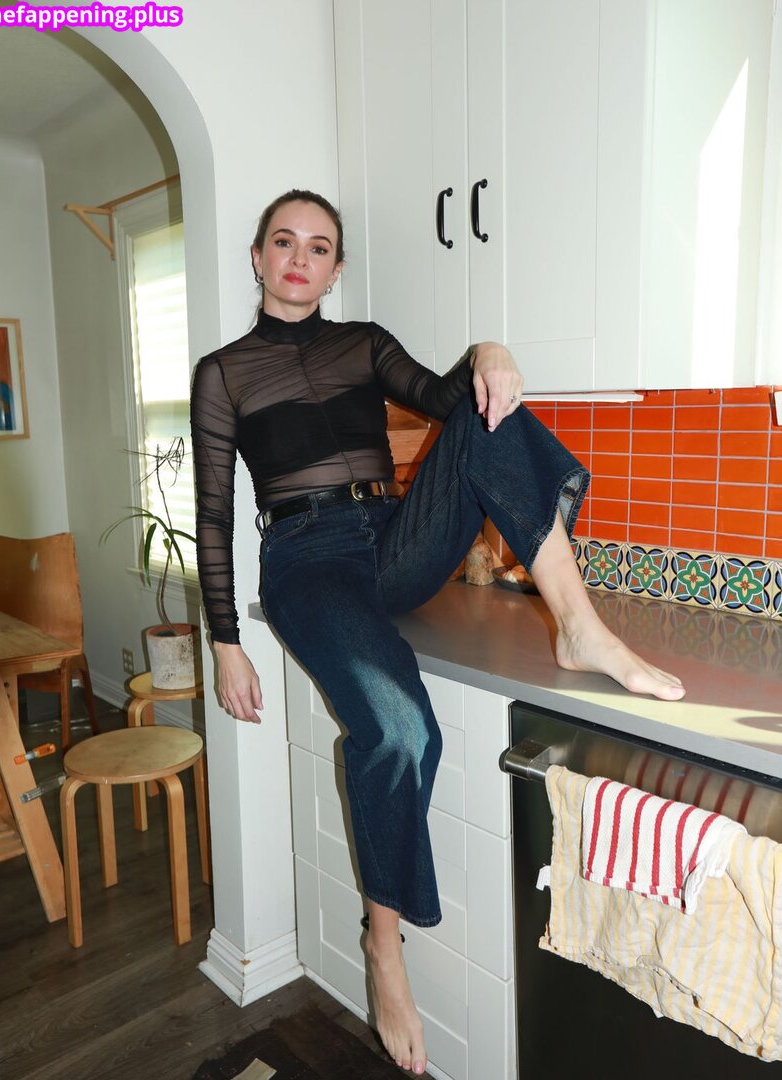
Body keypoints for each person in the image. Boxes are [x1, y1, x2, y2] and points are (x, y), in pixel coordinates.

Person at [190, 189, 685, 1076]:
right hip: (306, 558)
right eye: (284, 242)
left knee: (493, 412)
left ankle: (579, 625)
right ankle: (385, 944)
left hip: (390, 539)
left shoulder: (362, 342)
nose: (300, 258)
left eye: (319, 247)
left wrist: (489, 351)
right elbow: (215, 514)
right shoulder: (224, 373)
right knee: (401, 729)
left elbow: (448, 398)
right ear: (258, 258)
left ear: (336, 268)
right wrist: (226, 639)